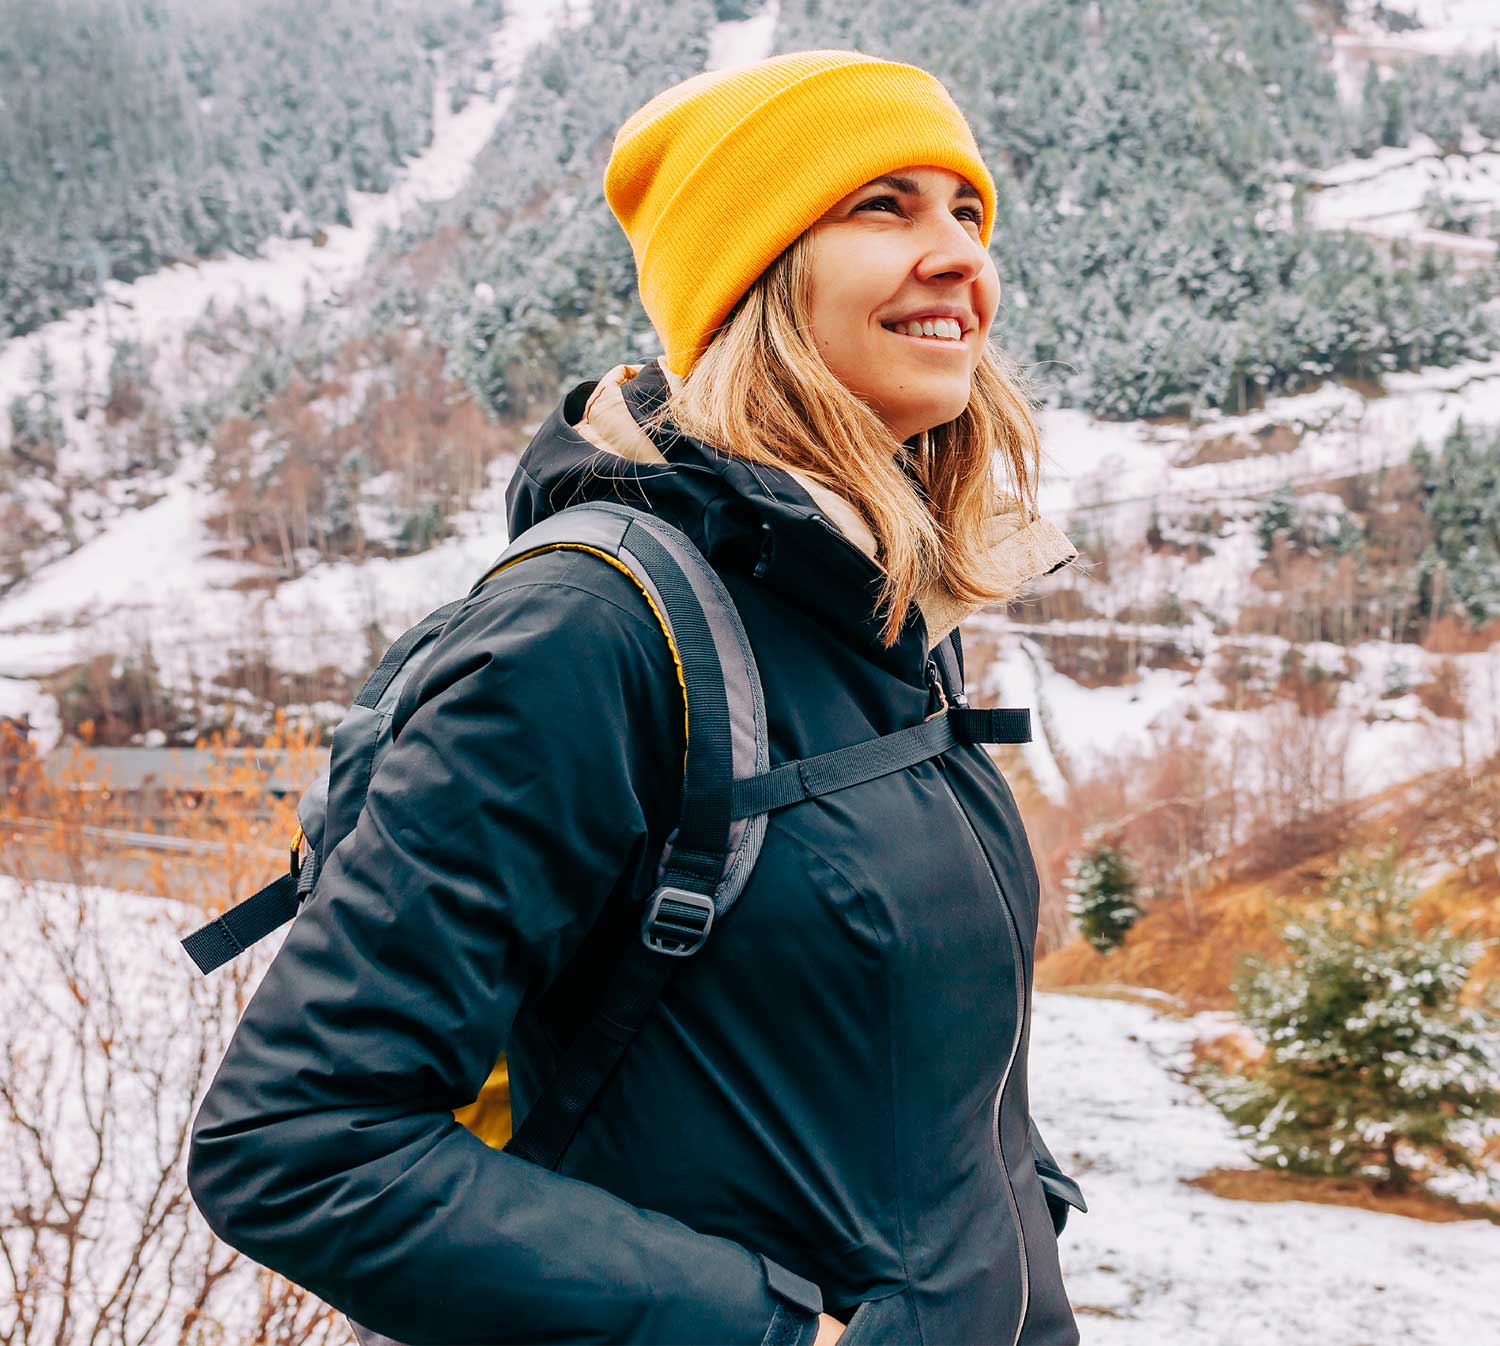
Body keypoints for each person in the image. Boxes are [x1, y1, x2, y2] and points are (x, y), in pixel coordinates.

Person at [187, 48, 1082, 1346]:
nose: (959, 255)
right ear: (755, 277)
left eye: (966, 209)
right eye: (882, 205)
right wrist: (776, 1333)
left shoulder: (878, 615)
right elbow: (297, 1140)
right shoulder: (589, 634)